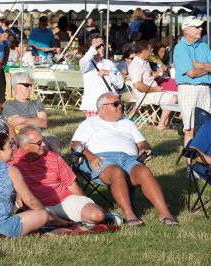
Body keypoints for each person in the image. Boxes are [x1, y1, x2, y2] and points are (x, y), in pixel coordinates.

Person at [71, 92, 178, 226]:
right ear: (103, 107)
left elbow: (142, 143)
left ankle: (166, 214)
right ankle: (129, 214)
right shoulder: (90, 123)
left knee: (144, 172)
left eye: (120, 103)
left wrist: (145, 149)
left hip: (128, 159)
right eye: (116, 104)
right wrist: (91, 156)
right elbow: (75, 144)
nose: (120, 106)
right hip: (101, 158)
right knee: (116, 172)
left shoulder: (127, 123)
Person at [10, 126, 106, 225]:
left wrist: (84, 203)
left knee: (97, 215)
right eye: (39, 143)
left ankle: (60, 220)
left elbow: (72, 185)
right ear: (25, 146)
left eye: (43, 139)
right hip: (37, 208)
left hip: (64, 201)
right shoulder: (12, 162)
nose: (43, 144)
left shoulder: (53, 157)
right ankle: (60, 221)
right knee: (24, 223)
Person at [173, 16, 210, 145]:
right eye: (197, 27)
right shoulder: (180, 48)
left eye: (200, 26)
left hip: (205, 88)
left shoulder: (203, 45)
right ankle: (189, 164)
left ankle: (203, 161)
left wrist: (201, 65)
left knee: (206, 127)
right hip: (188, 88)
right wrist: (207, 67)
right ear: (187, 30)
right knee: (189, 128)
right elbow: (192, 73)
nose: (201, 29)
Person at [2, 72, 61, 154]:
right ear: (16, 86)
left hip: (40, 134)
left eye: (31, 85)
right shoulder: (9, 104)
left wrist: (23, 119)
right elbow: (19, 126)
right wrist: (36, 121)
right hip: (21, 136)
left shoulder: (36, 102)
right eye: (26, 85)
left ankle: (59, 165)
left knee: (54, 142)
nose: (30, 88)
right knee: (44, 146)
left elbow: (44, 123)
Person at [128, 40, 178, 130]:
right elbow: (137, 85)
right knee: (173, 98)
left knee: (177, 94)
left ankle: (167, 124)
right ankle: (161, 125)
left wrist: (158, 72)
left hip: (152, 91)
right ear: (144, 51)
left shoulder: (145, 62)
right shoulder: (135, 65)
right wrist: (155, 89)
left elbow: (150, 75)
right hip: (145, 94)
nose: (151, 53)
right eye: (150, 50)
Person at [79, 34, 124, 118]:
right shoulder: (87, 63)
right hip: (94, 106)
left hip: (112, 105)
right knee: (95, 131)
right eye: (98, 46)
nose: (102, 48)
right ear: (91, 48)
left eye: (102, 45)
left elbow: (120, 84)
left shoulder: (109, 63)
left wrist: (108, 73)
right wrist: (93, 47)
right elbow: (83, 63)